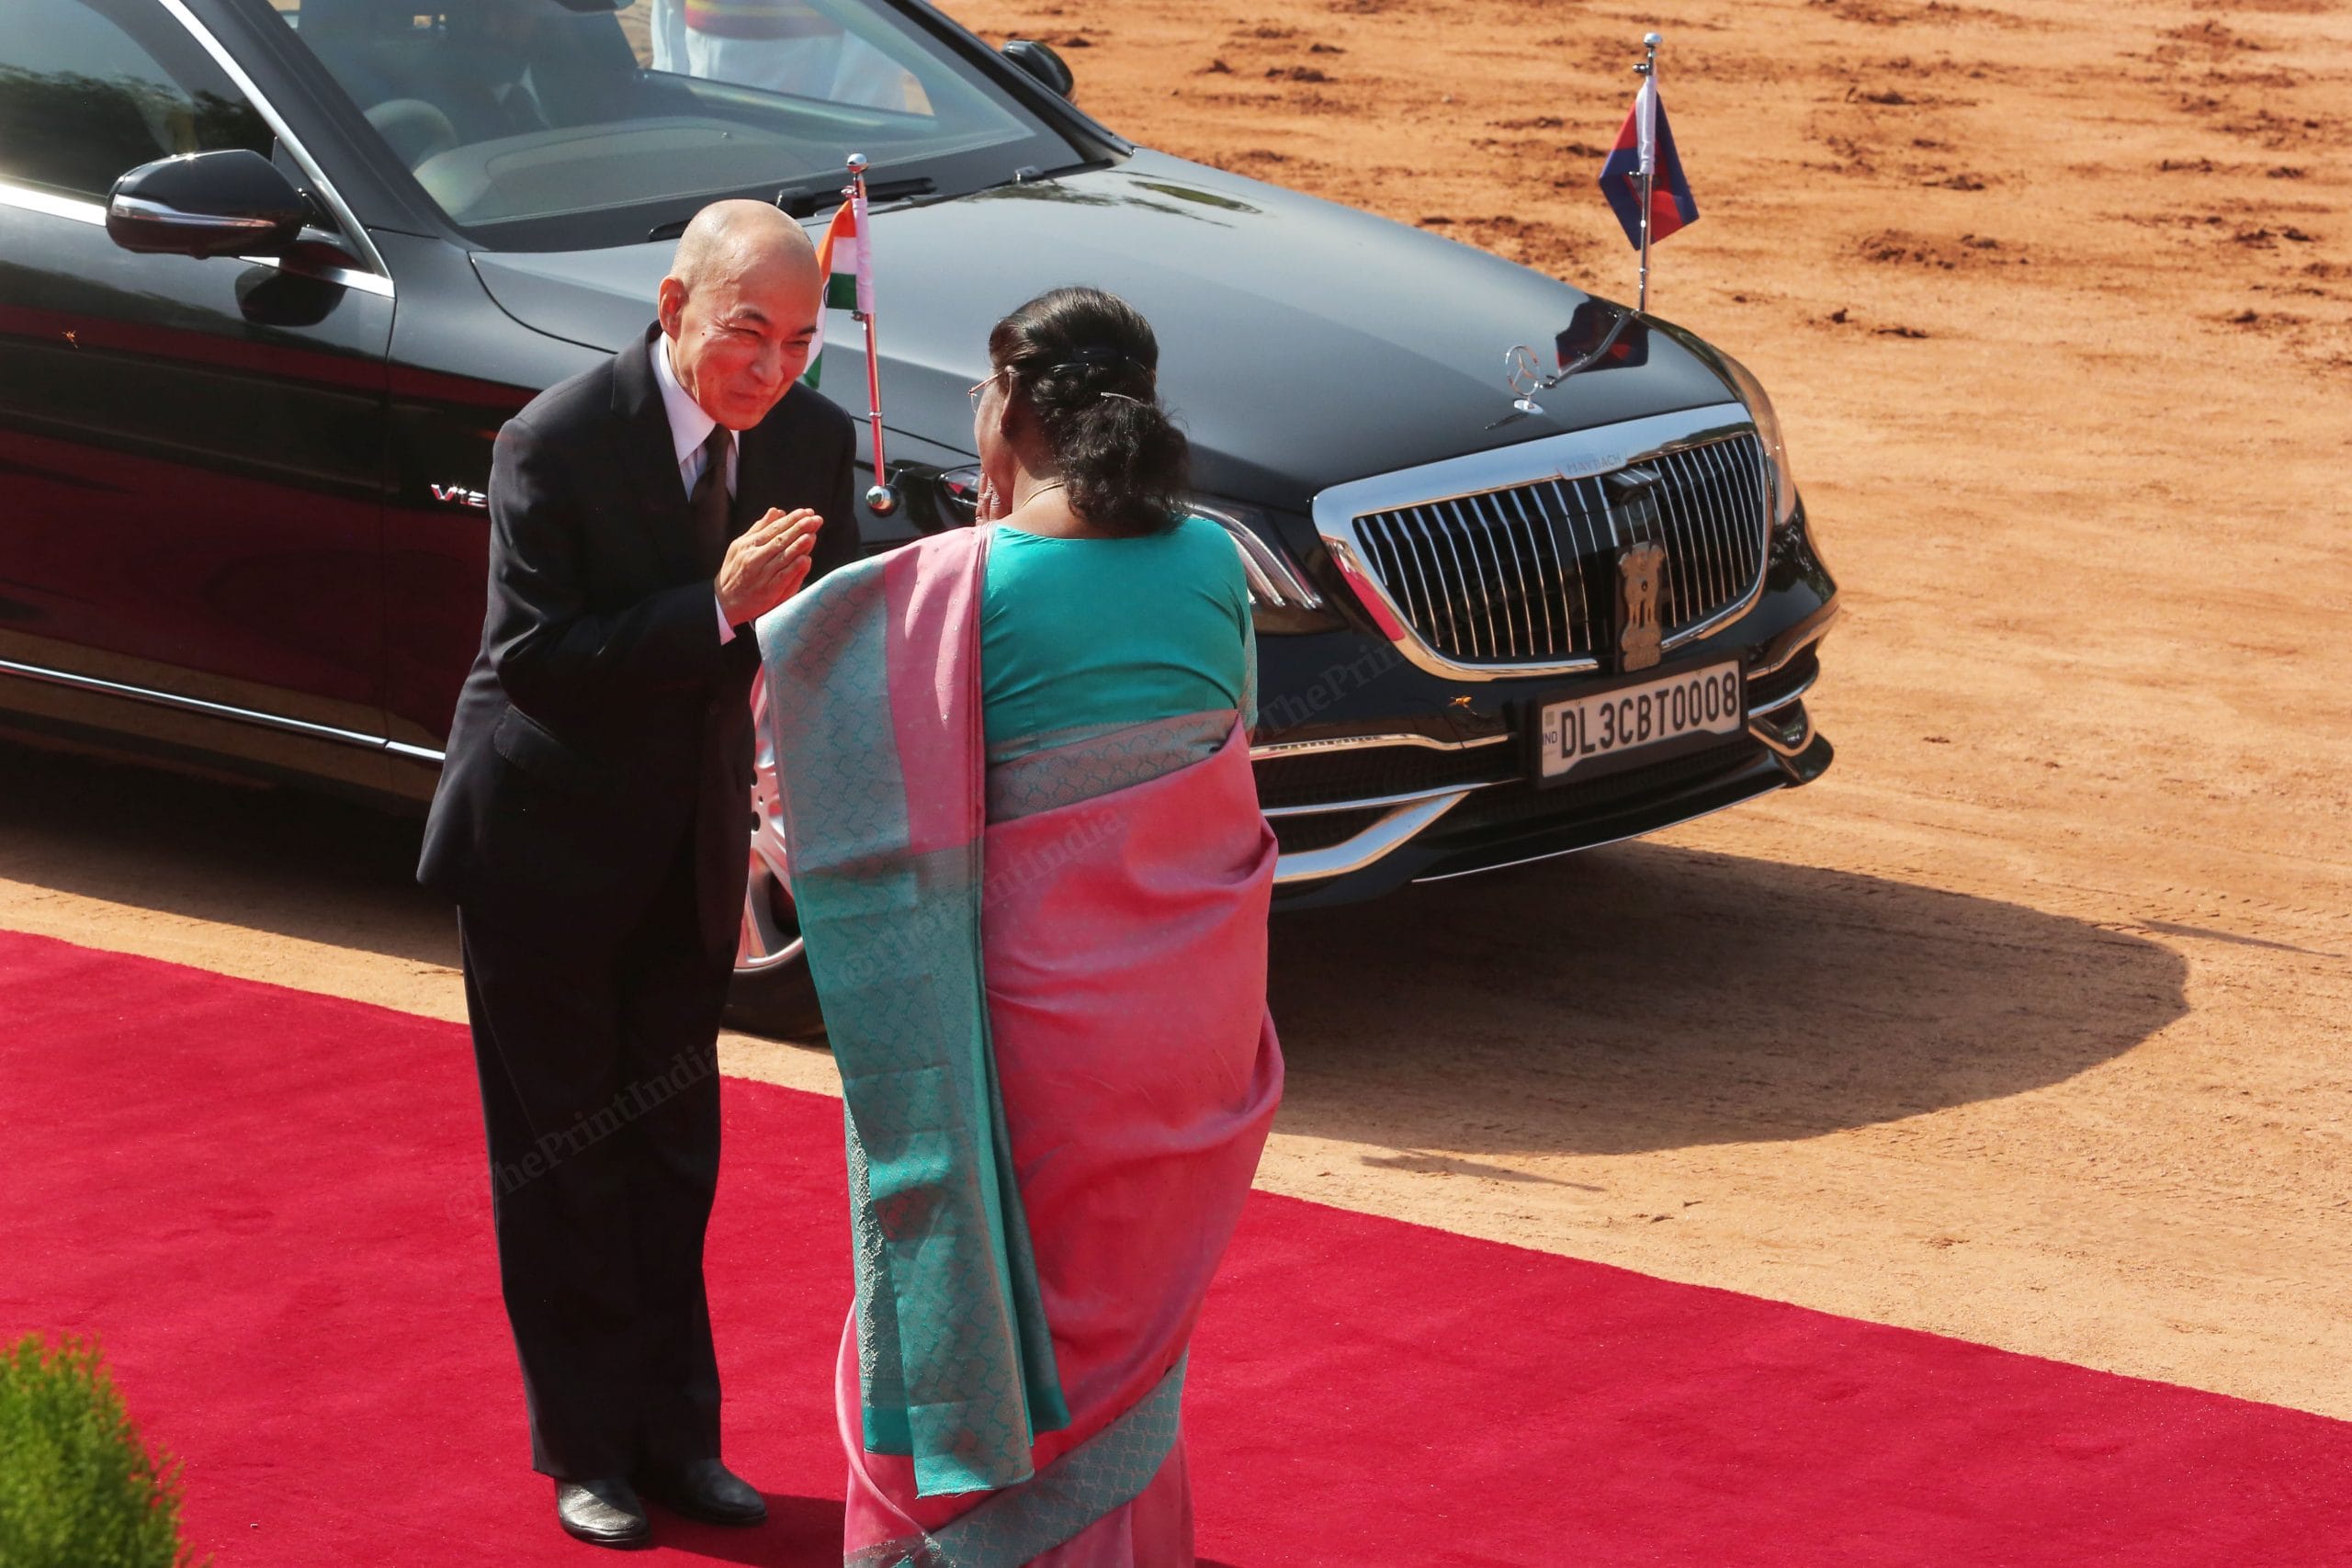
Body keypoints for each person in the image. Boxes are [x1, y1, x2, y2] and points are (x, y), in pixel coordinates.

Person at [754, 286, 1283, 1565]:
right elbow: (1229, 744)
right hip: (1198, 1030)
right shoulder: (1216, 560)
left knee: (1009, 1302)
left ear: (1010, 410)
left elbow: (801, 761)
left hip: (1038, 1039)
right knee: (1131, 1326)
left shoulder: (951, 589)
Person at [417, 199, 861, 1550]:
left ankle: (681, 1443)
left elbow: (822, 624)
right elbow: (535, 661)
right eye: (746, 333)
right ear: (674, 307)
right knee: (565, 1158)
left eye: (799, 342)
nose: (771, 369)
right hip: (540, 847)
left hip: (690, 845)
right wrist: (712, 609)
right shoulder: (553, 441)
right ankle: (589, 1453)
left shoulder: (808, 438)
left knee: (672, 1153)